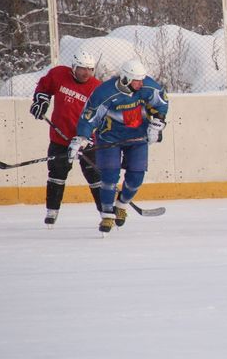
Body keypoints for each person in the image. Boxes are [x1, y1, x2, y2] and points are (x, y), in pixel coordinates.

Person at [69, 59, 169, 233]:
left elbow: (161, 104)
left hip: (137, 138)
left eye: (141, 79)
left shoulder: (148, 87)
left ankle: (121, 205)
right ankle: (107, 216)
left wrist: (158, 124)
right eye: (136, 80)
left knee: (137, 177)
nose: (140, 83)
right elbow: (89, 117)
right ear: (124, 79)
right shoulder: (104, 93)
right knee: (109, 178)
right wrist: (81, 138)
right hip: (109, 139)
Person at [30, 48, 103, 225]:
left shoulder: (97, 88)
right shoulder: (59, 74)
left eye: (90, 69)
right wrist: (41, 102)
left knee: (96, 176)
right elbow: (44, 87)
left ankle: (106, 213)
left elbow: (100, 116)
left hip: (87, 140)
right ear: (73, 67)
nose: (86, 73)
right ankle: (52, 211)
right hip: (60, 137)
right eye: (82, 68)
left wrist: (86, 137)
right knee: (56, 173)